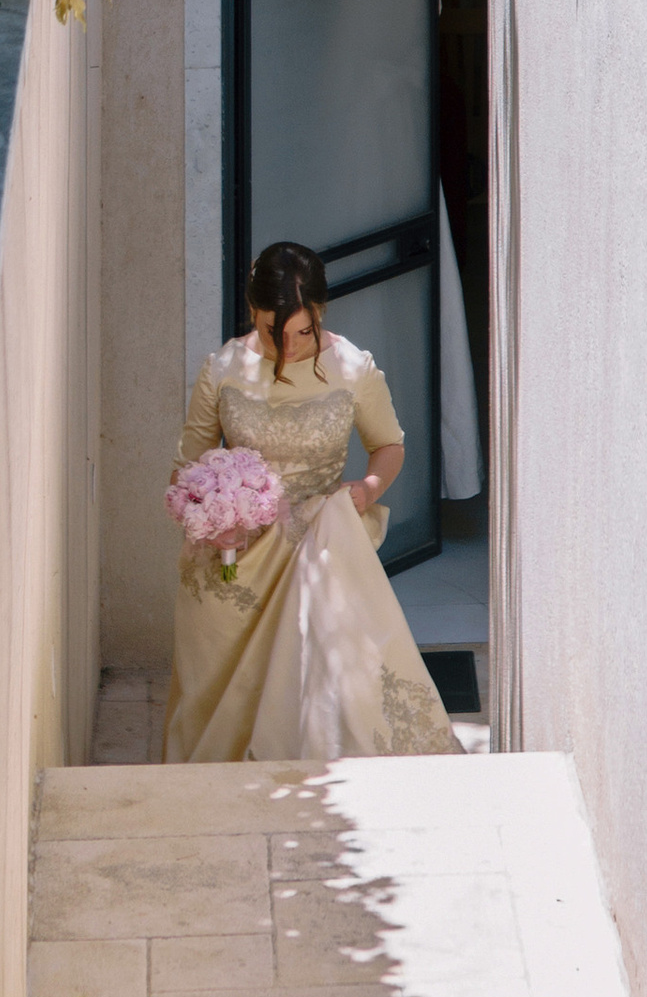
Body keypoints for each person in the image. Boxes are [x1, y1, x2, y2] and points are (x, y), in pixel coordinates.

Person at [161, 238, 458, 762]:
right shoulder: (223, 369)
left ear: (320, 313)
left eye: (303, 330)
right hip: (237, 550)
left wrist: (367, 489)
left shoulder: (351, 368)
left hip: (321, 541)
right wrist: (211, 512)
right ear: (252, 311)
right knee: (225, 680)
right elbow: (189, 464)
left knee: (320, 679)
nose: (290, 345)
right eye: (274, 330)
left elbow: (388, 444)